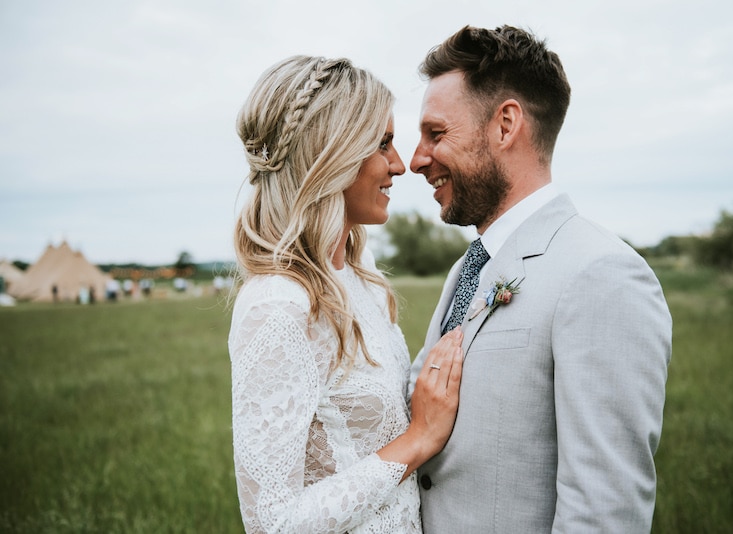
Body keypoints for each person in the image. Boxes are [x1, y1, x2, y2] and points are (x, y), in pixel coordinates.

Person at [408, 25, 672, 532]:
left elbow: (604, 512)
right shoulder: (469, 268)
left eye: (436, 134)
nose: (417, 159)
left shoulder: (602, 274)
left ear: (505, 125)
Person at [227, 55, 463, 533]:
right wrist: (417, 440)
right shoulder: (278, 303)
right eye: (383, 145)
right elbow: (272, 523)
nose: (399, 165)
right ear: (329, 154)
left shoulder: (358, 277)